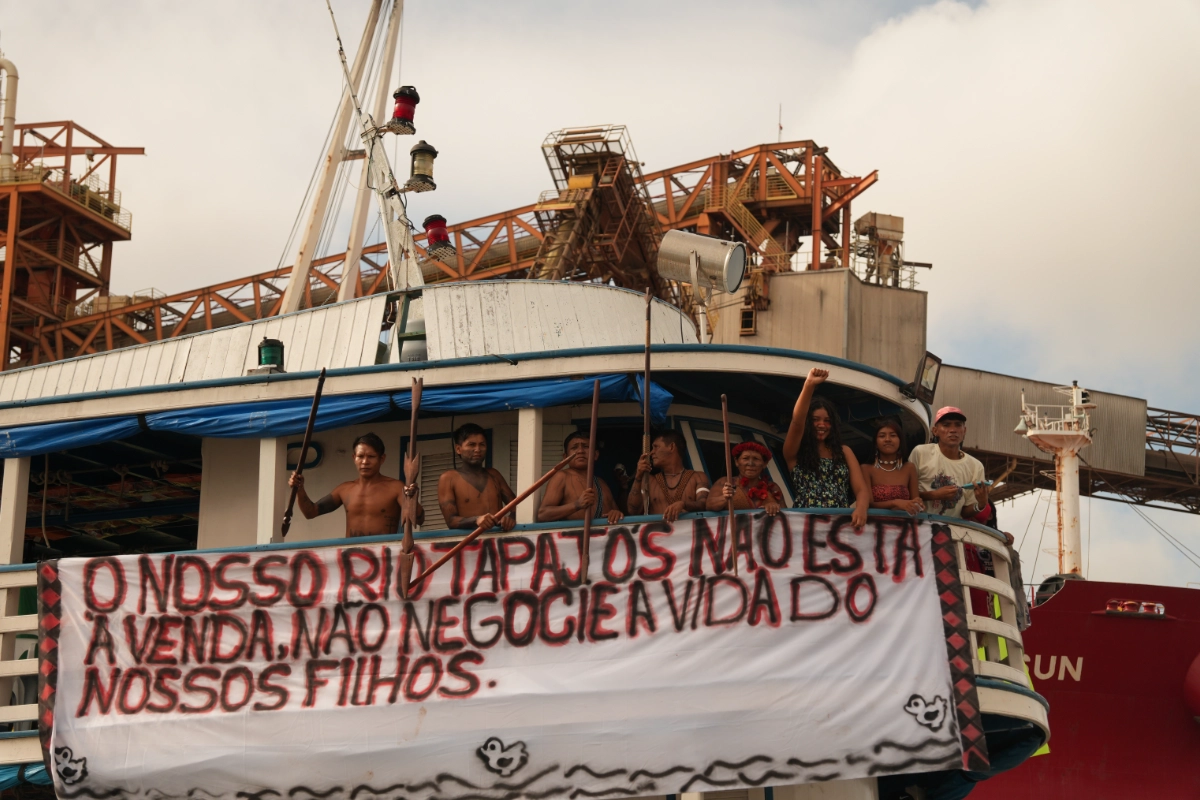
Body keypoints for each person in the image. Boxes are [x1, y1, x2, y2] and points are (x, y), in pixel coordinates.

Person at [288, 432, 423, 537]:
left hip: (383, 554)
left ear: (382, 459)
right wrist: (299, 489)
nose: (365, 462)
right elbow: (311, 512)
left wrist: (411, 498)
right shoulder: (345, 489)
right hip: (352, 555)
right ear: (354, 458)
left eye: (371, 457)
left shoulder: (395, 487)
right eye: (360, 456)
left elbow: (419, 519)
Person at [782, 367, 870, 528]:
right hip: (805, 526)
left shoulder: (844, 451)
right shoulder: (795, 451)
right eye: (815, 420)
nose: (822, 425)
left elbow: (861, 489)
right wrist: (809, 385)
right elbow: (797, 421)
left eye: (827, 421)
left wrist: (861, 508)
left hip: (839, 526)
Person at [909, 406, 991, 522]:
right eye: (946, 425)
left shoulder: (975, 466)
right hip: (918, 525)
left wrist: (981, 504)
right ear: (935, 431)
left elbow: (964, 511)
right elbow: (904, 492)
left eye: (958, 425)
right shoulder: (921, 453)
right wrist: (934, 495)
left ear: (964, 431)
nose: (953, 430)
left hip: (951, 530)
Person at [437, 423, 517, 532]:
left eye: (482, 444)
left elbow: (516, 505)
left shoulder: (494, 474)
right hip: (470, 540)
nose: (477, 449)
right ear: (458, 449)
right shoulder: (448, 478)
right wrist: (476, 520)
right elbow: (451, 521)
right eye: (472, 445)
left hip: (498, 538)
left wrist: (510, 518)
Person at [538, 430, 624, 524]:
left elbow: (617, 513)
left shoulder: (601, 483)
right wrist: (577, 504)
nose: (580, 451)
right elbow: (543, 514)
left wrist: (615, 513)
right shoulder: (561, 477)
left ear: (595, 455)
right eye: (574, 447)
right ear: (565, 457)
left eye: (586, 447)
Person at [627, 430, 711, 522]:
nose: (651, 452)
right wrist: (638, 476)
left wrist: (683, 504)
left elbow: (704, 504)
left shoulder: (697, 477)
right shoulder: (649, 481)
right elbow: (632, 511)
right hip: (658, 531)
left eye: (656, 447)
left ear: (671, 447)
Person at [861, 418, 924, 515]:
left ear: (900, 441)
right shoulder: (866, 469)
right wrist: (895, 503)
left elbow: (915, 501)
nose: (887, 439)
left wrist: (918, 503)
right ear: (876, 443)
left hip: (904, 522)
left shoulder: (909, 468)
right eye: (882, 436)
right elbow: (868, 504)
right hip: (874, 522)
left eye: (893, 435)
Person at [706, 441, 784, 516]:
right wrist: (725, 498)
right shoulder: (726, 482)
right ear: (737, 461)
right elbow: (709, 505)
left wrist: (775, 507)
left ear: (764, 464)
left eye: (756, 459)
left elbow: (786, 514)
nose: (750, 463)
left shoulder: (772, 487)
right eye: (745, 458)